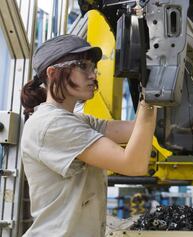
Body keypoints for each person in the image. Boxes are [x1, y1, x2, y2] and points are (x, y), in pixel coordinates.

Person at [20, 34, 156, 236]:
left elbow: (137, 129)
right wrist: (150, 98)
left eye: (93, 67)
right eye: (82, 66)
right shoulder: (52, 125)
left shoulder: (78, 121)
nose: (93, 75)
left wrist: (157, 83)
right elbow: (134, 164)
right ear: (52, 72)